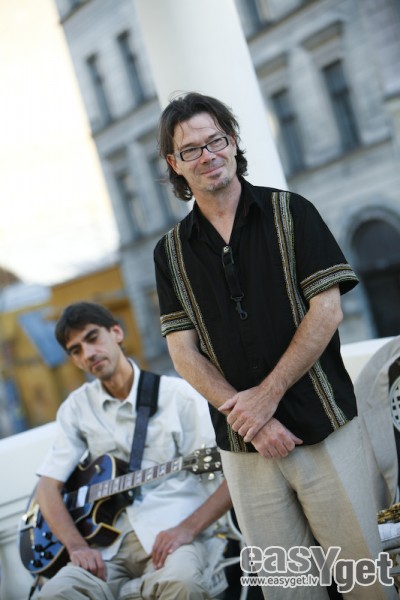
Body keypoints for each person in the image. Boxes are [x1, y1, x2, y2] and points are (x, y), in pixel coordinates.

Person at [153, 92, 396, 599]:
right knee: (289, 592)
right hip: (246, 454)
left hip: (325, 428)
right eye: (191, 149)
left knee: (365, 585)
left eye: (215, 140)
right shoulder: (169, 253)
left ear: (233, 141)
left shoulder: (293, 212)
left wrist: (267, 396)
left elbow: (327, 311)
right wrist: (254, 420)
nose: (208, 155)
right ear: (174, 164)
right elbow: (183, 353)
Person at [34, 301, 232, 600]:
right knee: (54, 594)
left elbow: (233, 475)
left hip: (172, 537)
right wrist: (76, 546)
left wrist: (187, 529)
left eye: (92, 338)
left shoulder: (177, 396)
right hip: (106, 551)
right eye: (76, 350)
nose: (88, 353)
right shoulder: (76, 408)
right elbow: (47, 488)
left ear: (116, 332)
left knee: (183, 584)